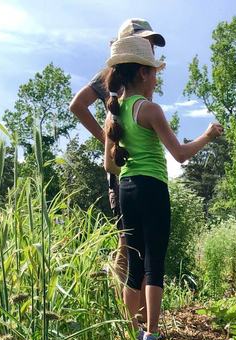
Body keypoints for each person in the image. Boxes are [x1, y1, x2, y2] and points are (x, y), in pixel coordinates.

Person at [103, 36, 223, 340]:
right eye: (155, 72)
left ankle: (132, 332)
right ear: (143, 73)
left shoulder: (113, 112)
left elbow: (109, 164)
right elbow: (180, 154)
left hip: (126, 188)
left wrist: (130, 163)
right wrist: (208, 135)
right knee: (155, 261)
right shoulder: (150, 110)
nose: (157, 79)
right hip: (152, 187)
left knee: (135, 263)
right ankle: (152, 334)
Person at [70, 19, 165, 304]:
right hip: (121, 170)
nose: (151, 47)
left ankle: (142, 316)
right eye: (145, 40)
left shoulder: (142, 74)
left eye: (151, 43)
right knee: (129, 243)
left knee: (146, 246)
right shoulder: (110, 76)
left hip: (144, 166)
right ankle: (128, 317)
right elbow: (77, 105)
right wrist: (109, 142)